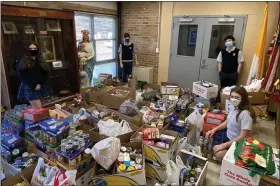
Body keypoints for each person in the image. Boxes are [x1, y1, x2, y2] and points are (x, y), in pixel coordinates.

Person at [206, 86, 256, 162]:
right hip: (228, 135)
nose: (234, 99)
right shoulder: (235, 107)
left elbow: (242, 136)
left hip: (238, 143)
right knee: (209, 135)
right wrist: (215, 129)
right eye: (232, 97)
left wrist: (223, 145)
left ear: (243, 99)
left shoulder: (246, 114)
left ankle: (236, 160)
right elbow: (228, 121)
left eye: (237, 97)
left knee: (219, 154)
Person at [18, 42, 52, 108]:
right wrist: (33, 85)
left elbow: (46, 73)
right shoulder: (23, 61)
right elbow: (23, 76)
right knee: (38, 109)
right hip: (30, 87)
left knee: (41, 107)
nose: (33, 50)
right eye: (31, 48)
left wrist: (41, 83)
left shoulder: (40, 60)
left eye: (35, 48)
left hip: (40, 86)